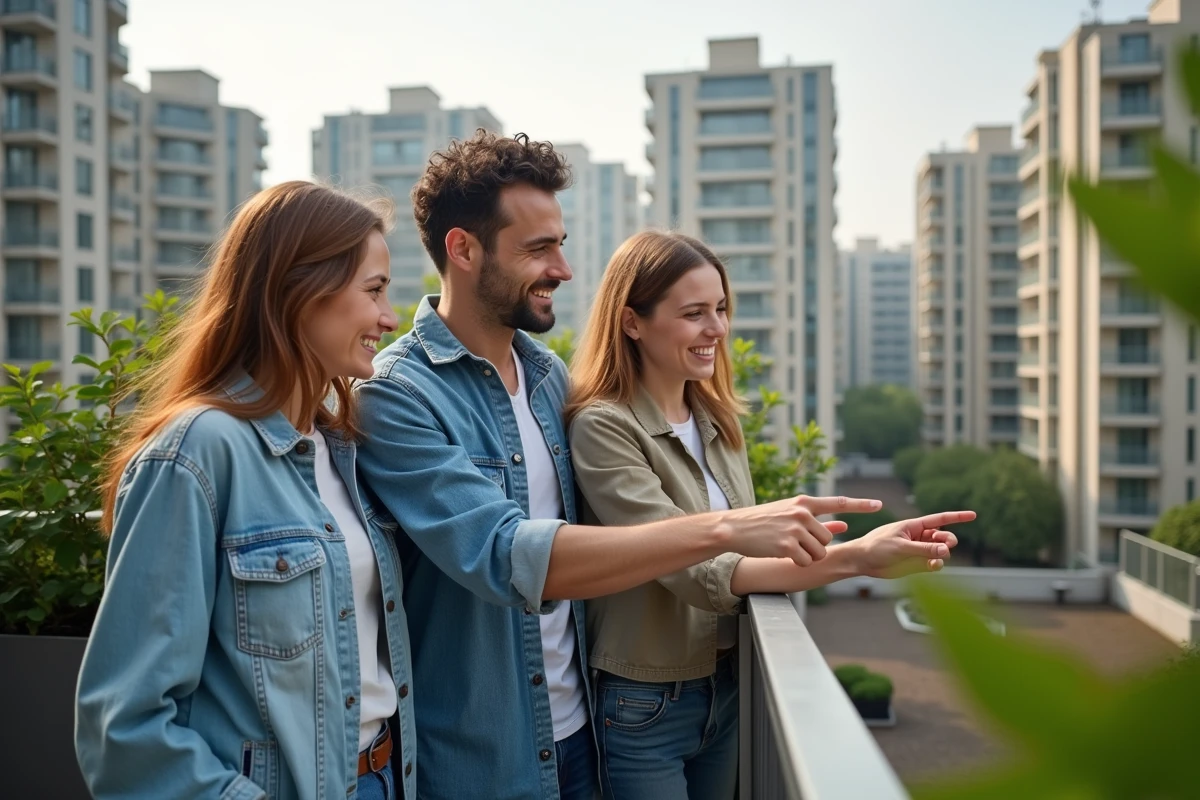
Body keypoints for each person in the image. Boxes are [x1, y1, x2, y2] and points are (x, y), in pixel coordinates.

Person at [354, 131, 881, 800]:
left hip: (585, 735)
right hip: (481, 762)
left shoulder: (549, 379)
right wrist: (726, 529)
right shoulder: (396, 395)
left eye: (562, 245)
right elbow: (503, 554)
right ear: (463, 250)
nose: (564, 270)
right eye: (538, 249)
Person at [565, 230, 975, 800]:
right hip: (646, 702)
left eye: (721, 309)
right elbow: (690, 567)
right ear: (632, 321)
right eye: (694, 313)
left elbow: (751, 554)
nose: (718, 330)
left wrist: (860, 547)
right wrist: (855, 560)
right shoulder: (604, 427)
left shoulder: (717, 420)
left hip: (730, 687)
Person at [75, 182, 416, 800]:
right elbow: (121, 728)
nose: (389, 317)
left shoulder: (344, 450)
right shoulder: (197, 453)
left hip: (384, 777)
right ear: (298, 292)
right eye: (374, 290)